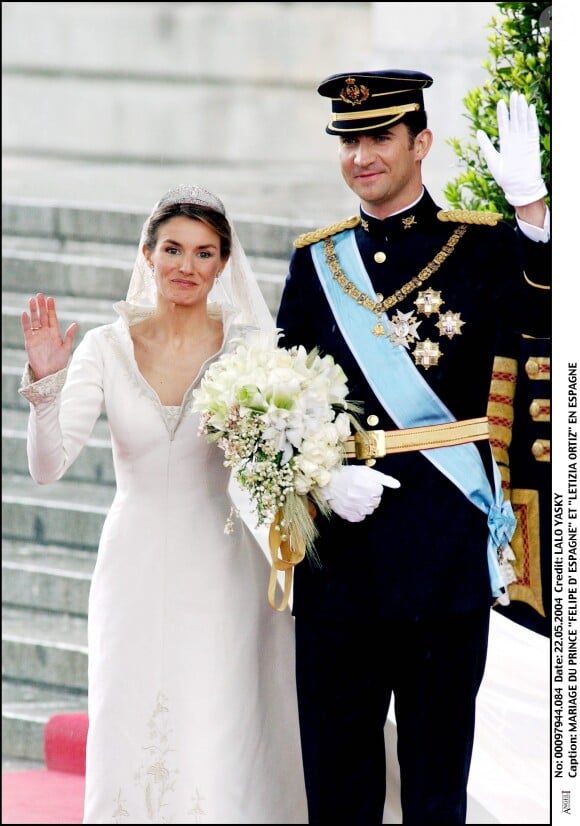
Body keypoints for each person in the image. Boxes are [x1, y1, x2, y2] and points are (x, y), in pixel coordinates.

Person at [275, 70, 550, 824]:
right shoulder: (316, 262)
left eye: (378, 137)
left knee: (434, 783)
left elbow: (546, 324)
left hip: (441, 550)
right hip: (339, 556)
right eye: (348, 140)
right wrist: (318, 478)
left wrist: (534, 216)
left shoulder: (485, 248)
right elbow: (282, 395)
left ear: (420, 142)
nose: (360, 154)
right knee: (337, 780)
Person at [19, 184, 308, 824]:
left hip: (228, 563)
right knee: (131, 713)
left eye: (205, 253)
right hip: (134, 563)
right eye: (173, 248)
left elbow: (279, 469)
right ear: (146, 254)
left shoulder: (251, 349)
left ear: (224, 264)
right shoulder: (103, 346)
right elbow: (47, 468)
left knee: (220, 719)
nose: (187, 266)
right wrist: (45, 383)